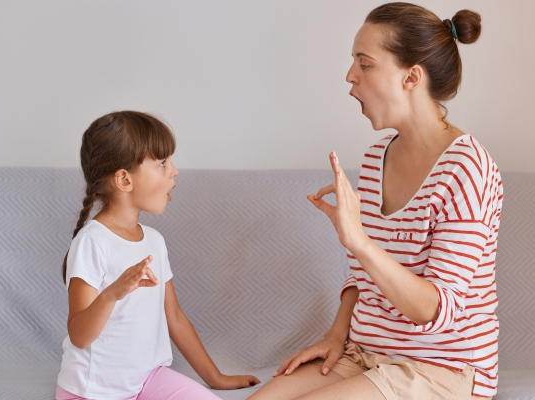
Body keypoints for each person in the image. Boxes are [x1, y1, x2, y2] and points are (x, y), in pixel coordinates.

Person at [250, 3, 502, 399]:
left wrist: (360, 242)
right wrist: (337, 334)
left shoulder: (467, 167)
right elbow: (362, 277)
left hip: (441, 368)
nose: (350, 76)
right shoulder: (376, 157)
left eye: (365, 64)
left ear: (411, 77)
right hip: (367, 353)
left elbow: (436, 309)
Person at [56, 111, 260, 399]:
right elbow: (79, 335)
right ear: (124, 180)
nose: (174, 171)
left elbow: (174, 317)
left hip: (149, 380)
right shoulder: (92, 242)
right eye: (162, 163)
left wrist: (216, 378)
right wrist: (112, 293)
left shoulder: (154, 241)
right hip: (93, 390)